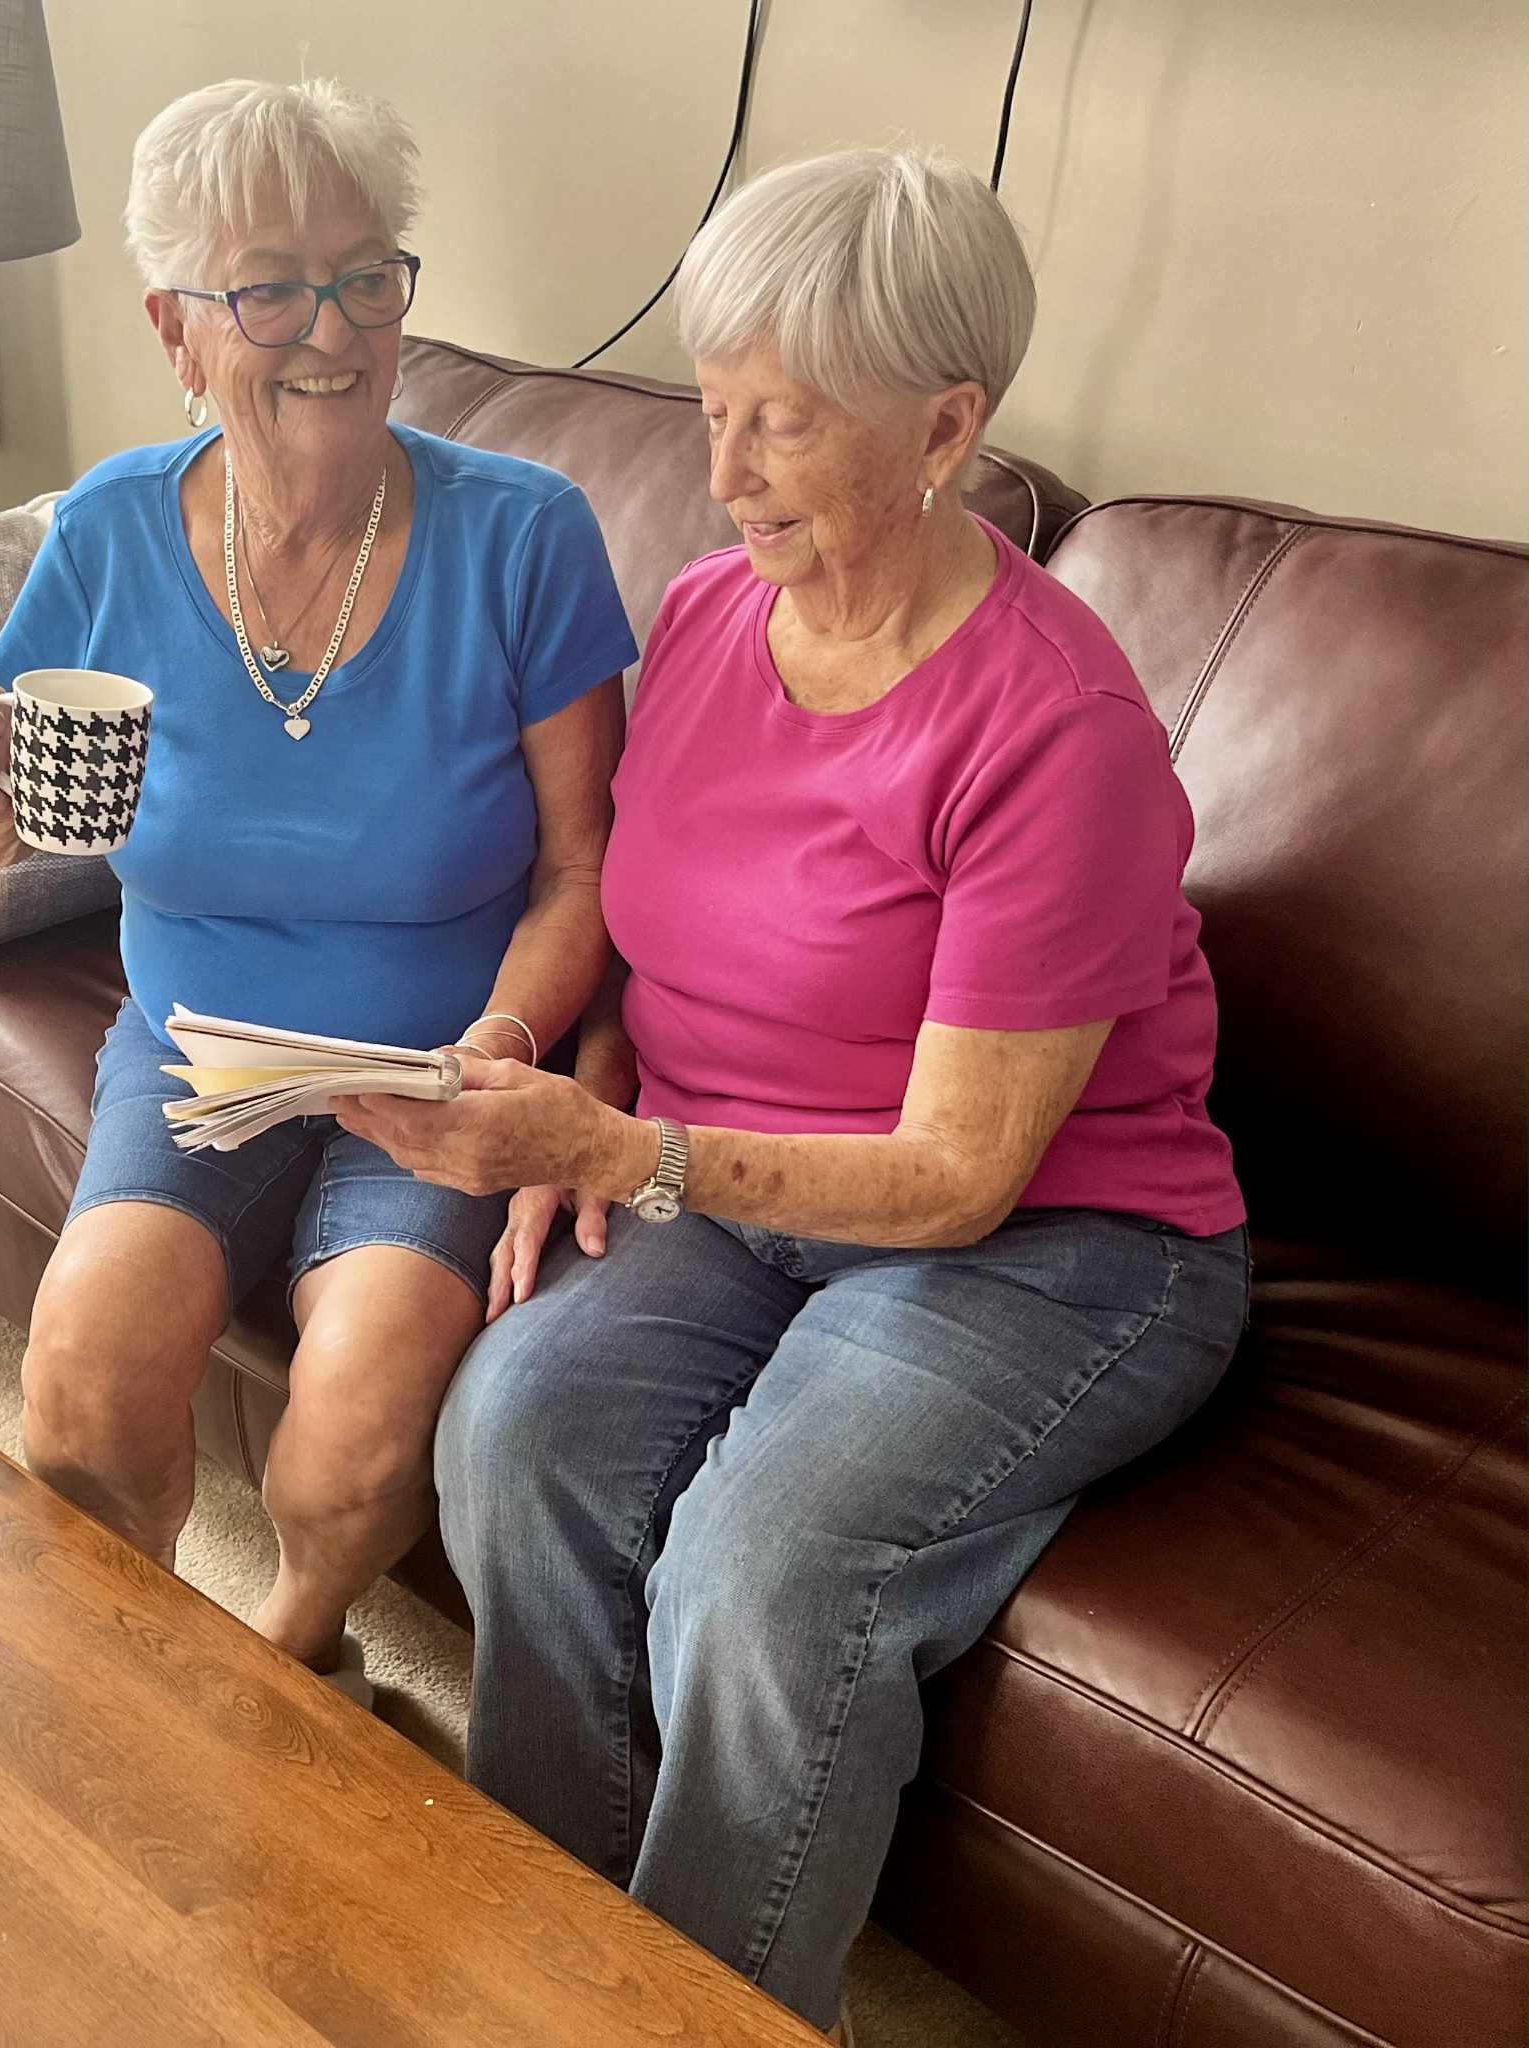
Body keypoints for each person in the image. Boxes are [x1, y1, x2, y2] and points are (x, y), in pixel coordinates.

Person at [333, 145, 1248, 2029]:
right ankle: (549, 1952)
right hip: (732, 1185)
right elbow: (654, 940)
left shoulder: (1057, 732)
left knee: (763, 1567)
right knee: (513, 1426)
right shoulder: (703, 619)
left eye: (785, 426)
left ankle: (707, 2011)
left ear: (947, 423)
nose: (726, 470)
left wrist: (631, 1149)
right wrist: (565, 1091)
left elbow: (964, 1173)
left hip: (1052, 1243)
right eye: (715, 407)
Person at [0, 78, 634, 1701]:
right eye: (270, 287)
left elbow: (588, 865)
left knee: (352, 1455)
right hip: (191, 1055)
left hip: (434, 1072)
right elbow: (19, 810)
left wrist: (504, 1050)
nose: (332, 327)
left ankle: (283, 1677)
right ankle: (155, 1701)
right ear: (177, 327)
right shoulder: (106, 531)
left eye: (365, 273)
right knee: (79, 1406)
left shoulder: (526, 537)